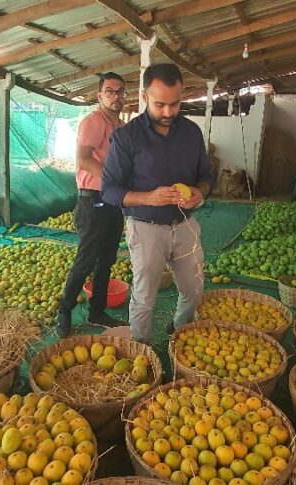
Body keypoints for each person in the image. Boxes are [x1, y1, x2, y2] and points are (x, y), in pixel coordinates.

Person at [101, 63, 215, 344]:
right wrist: (149, 198)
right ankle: (142, 351)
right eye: (159, 104)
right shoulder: (126, 138)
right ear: (144, 97)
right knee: (144, 298)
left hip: (185, 224)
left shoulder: (191, 132)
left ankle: (179, 330)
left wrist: (200, 192)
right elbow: (109, 190)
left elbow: (206, 176)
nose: (167, 112)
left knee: (194, 289)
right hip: (146, 228)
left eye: (174, 104)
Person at [57, 72, 128, 337]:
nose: (115, 96)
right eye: (109, 91)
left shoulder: (120, 126)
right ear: (100, 96)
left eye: (120, 91)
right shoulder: (94, 121)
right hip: (93, 200)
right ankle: (64, 310)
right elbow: (84, 160)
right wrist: (114, 180)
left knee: (106, 259)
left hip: (112, 201)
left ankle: (96, 311)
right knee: (86, 260)